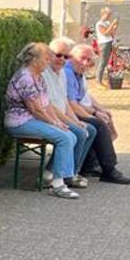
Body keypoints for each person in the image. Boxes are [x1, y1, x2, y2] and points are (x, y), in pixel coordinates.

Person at [5, 42, 81, 200]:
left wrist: (57, 121)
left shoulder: (38, 77)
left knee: (71, 135)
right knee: (64, 137)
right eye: (46, 59)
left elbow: (47, 105)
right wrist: (54, 123)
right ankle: (58, 185)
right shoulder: (25, 77)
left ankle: (61, 177)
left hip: (32, 119)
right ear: (35, 60)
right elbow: (36, 109)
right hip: (19, 122)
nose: (49, 62)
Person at [68, 45, 130, 184]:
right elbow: (71, 104)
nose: (86, 63)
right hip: (66, 113)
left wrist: (99, 110)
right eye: (82, 58)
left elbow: (85, 96)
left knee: (101, 120)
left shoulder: (78, 72)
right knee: (98, 124)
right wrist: (94, 114)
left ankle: (90, 165)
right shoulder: (68, 72)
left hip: (75, 110)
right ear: (72, 57)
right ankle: (109, 169)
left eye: (89, 60)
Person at [43, 37, 96, 185]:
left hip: (60, 115)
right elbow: (49, 105)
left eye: (66, 57)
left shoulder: (62, 73)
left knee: (89, 129)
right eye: (58, 55)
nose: (62, 59)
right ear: (49, 54)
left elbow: (65, 102)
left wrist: (77, 121)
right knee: (77, 132)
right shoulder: (43, 73)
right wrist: (72, 122)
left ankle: (74, 171)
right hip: (49, 117)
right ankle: (57, 172)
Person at [94, 6, 118, 83]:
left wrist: (115, 27)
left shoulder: (107, 22)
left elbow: (111, 32)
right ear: (103, 14)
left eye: (110, 15)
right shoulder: (99, 24)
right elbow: (105, 33)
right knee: (103, 62)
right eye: (108, 14)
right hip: (104, 44)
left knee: (109, 62)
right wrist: (112, 25)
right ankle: (98, 81)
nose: (109, 16)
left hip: (110, 42)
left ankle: (109, 80)